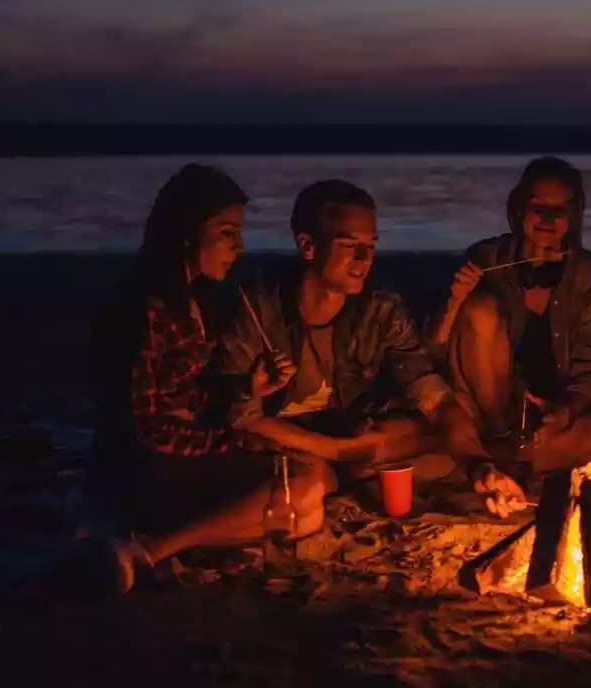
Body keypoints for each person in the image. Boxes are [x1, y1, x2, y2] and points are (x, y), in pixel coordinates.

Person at [220, 179, 527, 516]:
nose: (365, 259)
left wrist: (479, 467)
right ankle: (344, 469)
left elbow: (434, 398)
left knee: (435, 426)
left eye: (371, 245)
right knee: (294, 465)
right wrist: (336, 449)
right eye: (350, 245)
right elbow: (237, 416)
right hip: (282, 444)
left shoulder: (378, 309)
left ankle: (351, 466)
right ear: (308, 246)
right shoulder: (256, 307)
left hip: (350, 439)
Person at [86, 163, 327, 594]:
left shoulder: (195, 299)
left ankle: (163, 543)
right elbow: (141, 428)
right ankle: (156, 546)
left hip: (175, 455)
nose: (239, 247)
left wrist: (246, 388)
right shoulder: (146, 310)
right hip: (141, 468)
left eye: (239, 233)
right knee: (302, 488)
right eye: (226, 233)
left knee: (307, 505)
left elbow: (182, 393)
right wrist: (227, 442)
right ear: (185, 233)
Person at [427, 157, 591, 477]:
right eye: (538, 208)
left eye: (559, 210)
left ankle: (484, 459)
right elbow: (431, 352)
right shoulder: (484, 260)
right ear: (519, 208)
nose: (547, 219)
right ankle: (497, 451)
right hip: (483, 411)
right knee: (479, 309)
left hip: (547, 420)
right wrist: (453, 302)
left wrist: (565, 411)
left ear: (574, 215)